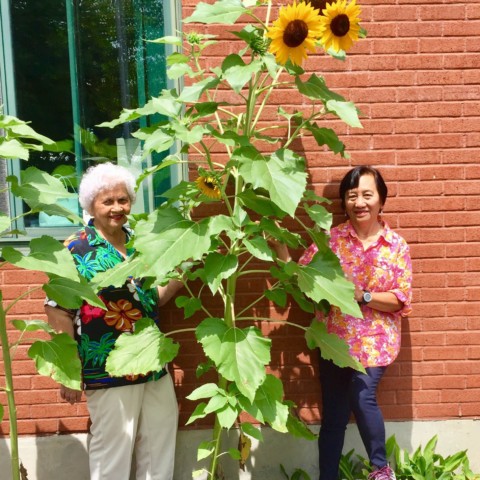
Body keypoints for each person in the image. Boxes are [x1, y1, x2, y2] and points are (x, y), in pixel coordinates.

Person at [45, 162, 182, 480]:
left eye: (123, 200)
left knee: (160, 447)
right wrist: (68, 371)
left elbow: (152, 299)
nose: (118, 208)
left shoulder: (140, 243)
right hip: (106, 367)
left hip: (152, 362)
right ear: (91, 204)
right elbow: (57, 310)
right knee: (113, 455)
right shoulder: (75, 249)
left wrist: (182, 269)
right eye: (108, 201)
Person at [276, 166, 412, 480]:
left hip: (375, 342)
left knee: (362, 396)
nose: (359, 202)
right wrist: (280, 248)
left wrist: (362, 296)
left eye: (367, 194)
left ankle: (380, 469)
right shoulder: (332, 241)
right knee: (334, 416)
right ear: (344, 202)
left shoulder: (396, 246)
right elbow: (301, 279)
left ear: (381, 200)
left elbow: (401, 300)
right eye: (352, 196)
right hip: (333, 340)